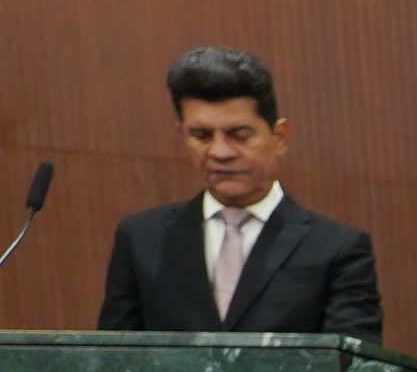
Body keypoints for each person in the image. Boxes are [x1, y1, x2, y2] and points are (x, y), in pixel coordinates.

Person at [97, 46, 382, 340]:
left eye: (239, 135)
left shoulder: (336, 249)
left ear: (279, 137)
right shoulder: (142, 239)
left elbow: (351, 363)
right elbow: (113, 357)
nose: (220, 152)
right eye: (201, 136)